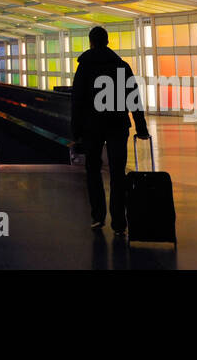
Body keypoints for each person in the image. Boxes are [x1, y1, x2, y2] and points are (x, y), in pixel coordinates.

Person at [70, 25, 149, 237]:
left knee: (93, 170)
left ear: (91, 42)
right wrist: (141, 126)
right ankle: (119, 223)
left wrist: (75, 132)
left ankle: (97, 216)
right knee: (117, 173)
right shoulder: (121, 66)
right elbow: (134, 97)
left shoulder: (84, 67)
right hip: (117, 125)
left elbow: (76, 100)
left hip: (91, 128)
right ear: (107, 42)